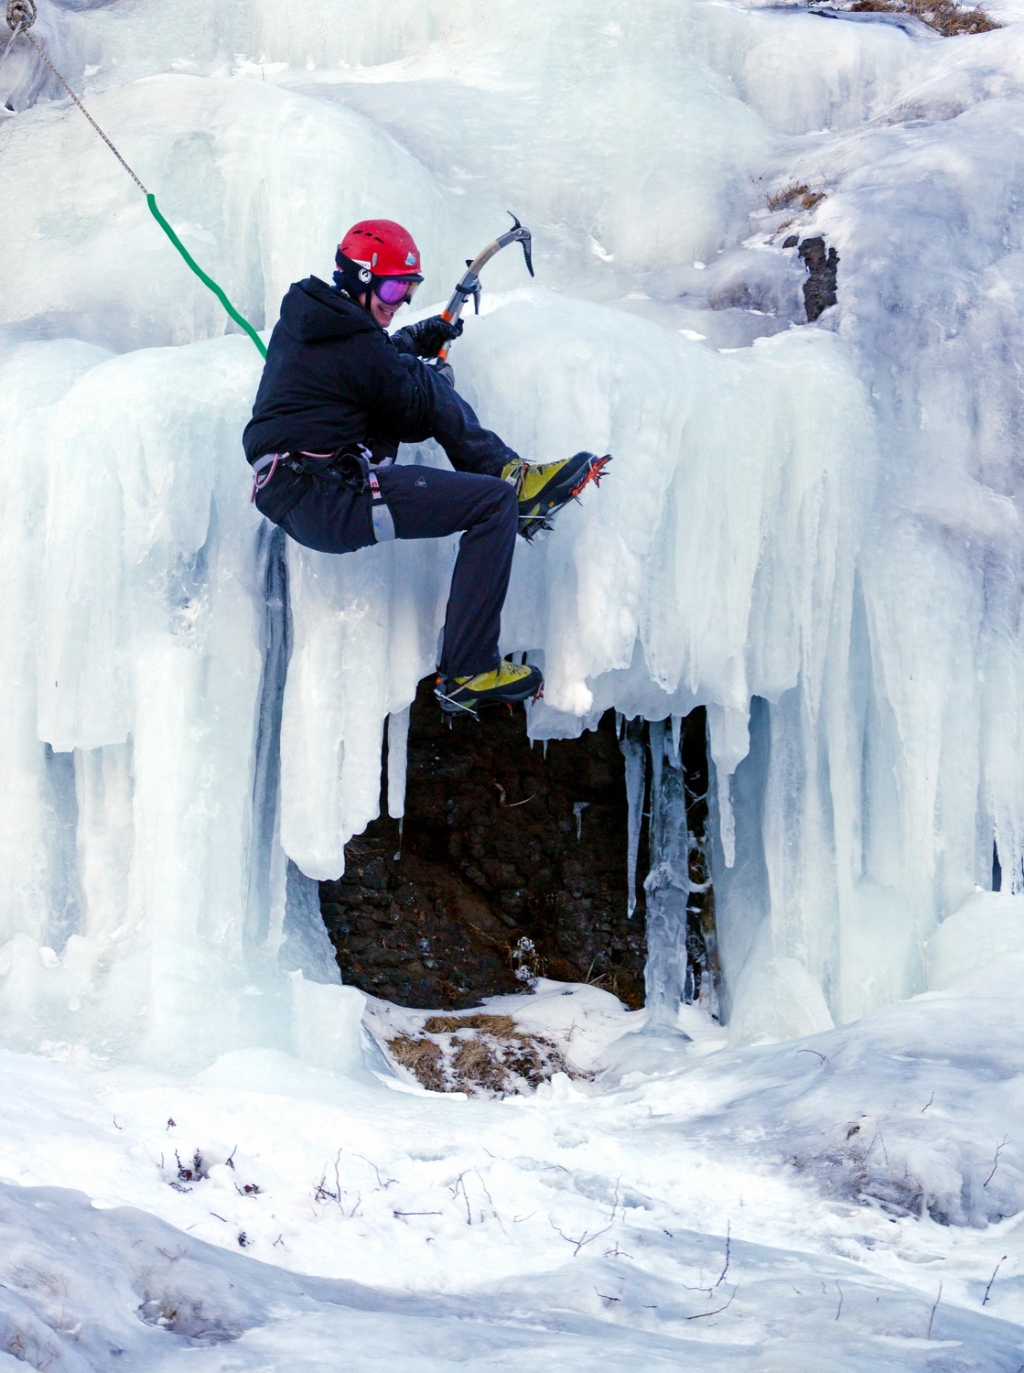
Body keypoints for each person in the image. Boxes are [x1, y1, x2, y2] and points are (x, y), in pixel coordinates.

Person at [243, 219, 608, 716]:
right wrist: (435, 378)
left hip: (303, 490)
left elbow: (361, 367)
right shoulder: (352, 343)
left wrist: (410, 342)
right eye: (393, 285)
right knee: (492, 501)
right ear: (360, 277)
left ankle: (511, 495)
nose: (399, 300)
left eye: (409, 289)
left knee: (426, 395)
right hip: (325, 492)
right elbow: (407, 408)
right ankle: (470, 662)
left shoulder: (311, 323)